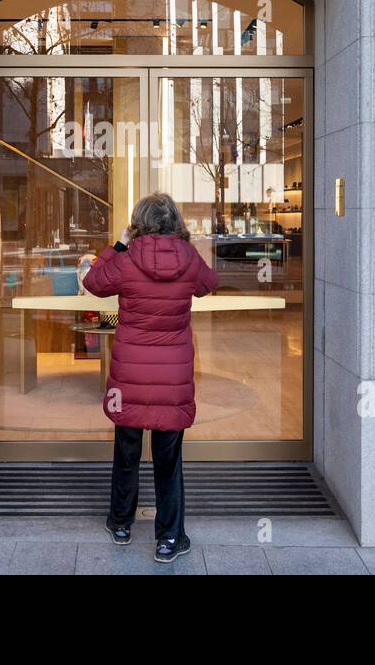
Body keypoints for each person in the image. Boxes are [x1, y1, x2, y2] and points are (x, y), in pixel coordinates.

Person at [81, 192, 219, 563]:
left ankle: (121, 523)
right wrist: (190, 249)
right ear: (174, 220)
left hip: (130, 378)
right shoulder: (188, 259)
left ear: (138, 222)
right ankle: (168, 539)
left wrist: (119, 245)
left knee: (126, 451)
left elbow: (93, 283)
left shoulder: (127, 261)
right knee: (168, 460)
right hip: (172, 380)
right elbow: (210, 283)